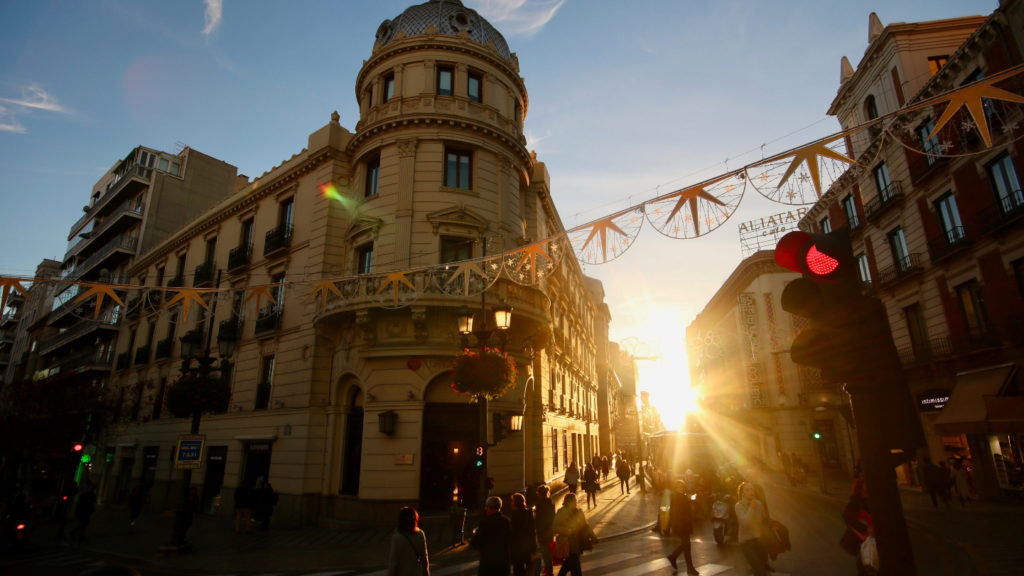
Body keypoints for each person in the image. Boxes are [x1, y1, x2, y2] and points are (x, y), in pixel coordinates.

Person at [552, 493, 596, 576]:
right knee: (575, 566)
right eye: (574, 501)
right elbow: (554, 527)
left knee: (569, 565)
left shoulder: (579, 512)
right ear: (568, 502)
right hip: (568, 544)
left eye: (576, 501)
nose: (576, 502)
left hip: (578, 543)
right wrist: (567, 530)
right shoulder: (562, 512)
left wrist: (593, 536)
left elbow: (585, 526)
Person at [471, 496, 512, 576]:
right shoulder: (507, 522)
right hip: (503, 562)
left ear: (489, 508)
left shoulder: (485, 523)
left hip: (488, 563)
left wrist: (474, 535)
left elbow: (475, 543)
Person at [734, 482, 769, 576]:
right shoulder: (738, 506)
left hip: (759, 540)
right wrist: (752, 508)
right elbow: (745, 523)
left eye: (752, 489)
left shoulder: (759, 503)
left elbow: (763, 520)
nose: (751, 492)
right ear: (743, 493)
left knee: (762, 567)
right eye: (747, 490)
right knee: (758, 569)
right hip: (746, 541)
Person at [666, 480, 700, 575]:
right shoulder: (679, 497)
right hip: (682, 525)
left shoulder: (680, 497)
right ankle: (690, 568)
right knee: (687, 546)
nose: (681, 488)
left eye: (682, 486)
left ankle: (673, 557)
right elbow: (678, 513)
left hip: (683, 524)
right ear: (676, 488)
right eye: (678, 487)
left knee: (686, 545)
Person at [842, 478, 873, 576]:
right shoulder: (856, 501)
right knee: (864, 563)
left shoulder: (873, 499)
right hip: (863, 538)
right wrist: (865, 529)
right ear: (860, 488)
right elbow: (847, 517)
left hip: (875, 537)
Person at [388, 506, 430, 576]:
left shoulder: (397, 538)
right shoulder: (420, 534)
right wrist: (426, 574)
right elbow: (424, 559)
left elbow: (393, 562)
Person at [508, 492, 537, 576]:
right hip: (528, 545)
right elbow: (532, 531)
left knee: (518, 569)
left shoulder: (514, 514)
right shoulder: (528, 513)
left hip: (518, 547)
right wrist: (534, 547)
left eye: (512, 501)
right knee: (529, 569)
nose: (511, 503)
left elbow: (513, 532)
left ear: (515, 503)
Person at [534, 484, 556, 576]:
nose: (537, 494)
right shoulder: (550, 503)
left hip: (542, 532)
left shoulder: (539, 504)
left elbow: (537, 519)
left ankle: (548, 571)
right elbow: (552, 517)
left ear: (540, 493)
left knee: (543, 553)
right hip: (549, 531)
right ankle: (548, 569)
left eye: (537, 493)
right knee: (547, 552)